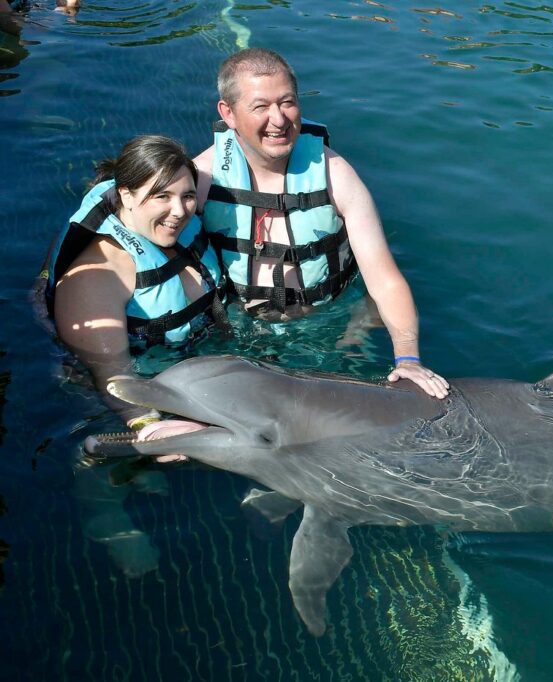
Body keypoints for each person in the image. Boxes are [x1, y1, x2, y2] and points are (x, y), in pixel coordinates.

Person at [194, 48, 450, 399]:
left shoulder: (336, 175)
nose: (279, 119)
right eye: (260, 107)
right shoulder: (202, 179)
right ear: (229, 113)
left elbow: (385, 279)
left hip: (332, 328)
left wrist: (407, 357)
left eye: (287, 102)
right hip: (238, 334)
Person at [43, 134, 227, 442]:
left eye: (188, 196)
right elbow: (114, 379)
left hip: (191, 369)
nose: (180, 211)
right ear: (126, 196)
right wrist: (149, 427)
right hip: (110, 408)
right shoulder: (96, 278)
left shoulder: (176, 230)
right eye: (162, 196)